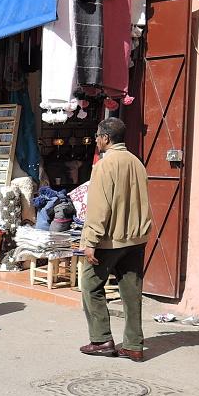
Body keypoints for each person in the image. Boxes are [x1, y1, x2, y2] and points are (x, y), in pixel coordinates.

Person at [79, 117, 152, 362]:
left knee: (90, 285)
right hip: (136, 238)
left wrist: (90, 241)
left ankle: (101, 340)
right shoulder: (136, 162)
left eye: (98, 136)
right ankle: (134, 345)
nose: (97, 140)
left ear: (106, 138)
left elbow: (99, 208)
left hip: (110, 240)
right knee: (131, 292)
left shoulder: (104, 165)